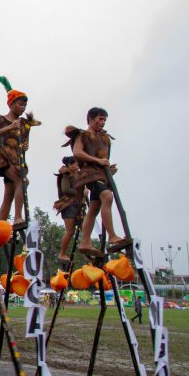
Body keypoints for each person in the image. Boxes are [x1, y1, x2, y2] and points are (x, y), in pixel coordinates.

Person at [65, 107, 128, 257]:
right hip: (89, 174)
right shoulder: (83, 135)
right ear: (91, 119)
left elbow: (105, 160)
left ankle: (85, 242)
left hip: (101, 175)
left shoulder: (105, 138)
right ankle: (112, 236)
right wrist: (98, 161)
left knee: (94, 207)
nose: (103, 122)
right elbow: (77, 152)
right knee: (107, 197)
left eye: (105, 119)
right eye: (100, 119)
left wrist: (108, 168)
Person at [0, 76, 40, 227]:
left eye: (25, 106)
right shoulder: (1, 120)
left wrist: (26, 146)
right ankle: (18, 217)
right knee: (22, 181)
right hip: (2, 160)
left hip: (16, 160)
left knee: (9, 193)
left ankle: (0, 224)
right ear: (11, 104)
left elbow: (23, 144)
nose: (23, 108)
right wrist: (9, 127)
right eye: (20, 104)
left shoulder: (24, 125)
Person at [53, 156, 85, 264]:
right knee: (70, 231)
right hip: (68, 205)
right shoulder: (65, 175)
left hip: (78, 205)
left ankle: (87, 249)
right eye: (75, 164)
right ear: (69, 165)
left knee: (85, 228)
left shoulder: (78, 174)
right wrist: (80, 192)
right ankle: (62, 253)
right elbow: (65, 189)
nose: (77, 166)